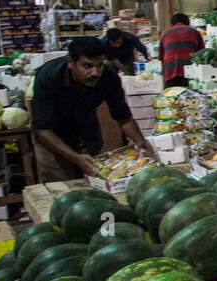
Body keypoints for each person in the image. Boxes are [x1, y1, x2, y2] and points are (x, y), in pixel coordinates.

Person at [30, 37, 156, 181]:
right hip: (52, 137)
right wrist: (75, 158)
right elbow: (43, 129)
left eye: (99, 65)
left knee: (91, 180)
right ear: (71, 63)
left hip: (85, 130)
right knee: (59, 184)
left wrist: (141, 142)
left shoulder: (108, 77)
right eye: (87, 66)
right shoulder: (49, 78)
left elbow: (123, 116)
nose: (95, 72)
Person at [158, 12, 204, 88]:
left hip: (170, 70)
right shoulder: (195, 32)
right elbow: (202, 53)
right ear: (187, 21)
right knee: (191, 97)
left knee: (171, 96)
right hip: (190, 71)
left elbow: (161, 57)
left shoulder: (165, 33)